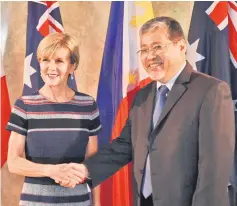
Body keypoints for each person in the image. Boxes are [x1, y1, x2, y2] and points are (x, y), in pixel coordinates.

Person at [61, 17, 235, 206]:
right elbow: (124, 147)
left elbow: (214, 169)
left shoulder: (211, 90)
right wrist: (85, 170)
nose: (149, 56)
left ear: (181, 46)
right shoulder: (143, 96)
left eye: (157, 47)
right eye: (144, 50)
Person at [7, 33, 101, 206]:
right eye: (45, 60)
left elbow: (94, 163)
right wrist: (51, 171)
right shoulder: (24, 105)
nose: (51, 67)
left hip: (79, 202)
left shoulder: (88, 105)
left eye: (59, 61)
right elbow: (13, 162)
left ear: (72, 66)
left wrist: (97, 204)